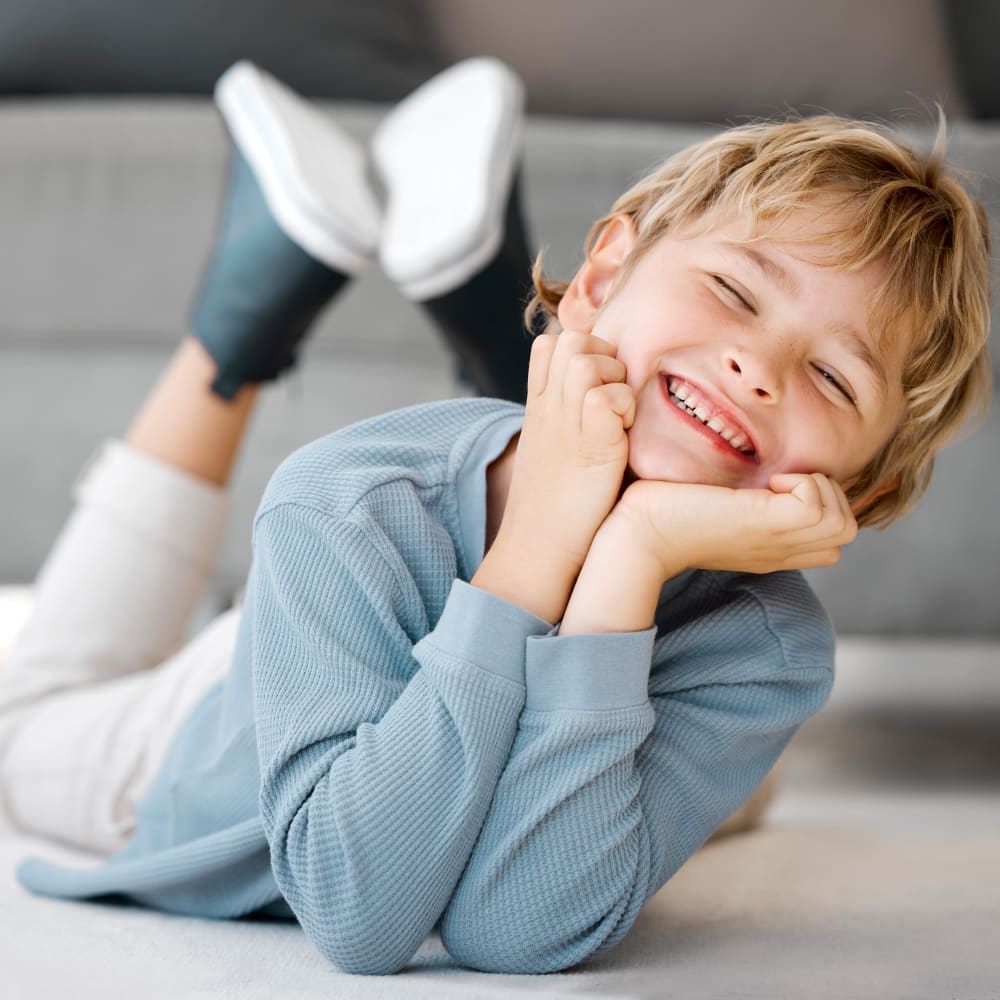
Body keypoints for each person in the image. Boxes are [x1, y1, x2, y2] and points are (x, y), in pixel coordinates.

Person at [0, 57, 991, 976]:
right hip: (227, 704)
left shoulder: (767, 651)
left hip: (435, 623)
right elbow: (358, 906)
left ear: (860, 493)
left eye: (830, 375)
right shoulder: (349, 501)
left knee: (728, 794)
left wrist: (627, 558)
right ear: (600, 277)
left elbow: (515, 928)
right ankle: (243, 318)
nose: (757, 369)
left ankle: (508, 351)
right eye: (732, 289)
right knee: (27, 724)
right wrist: (546, 548)